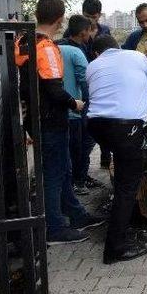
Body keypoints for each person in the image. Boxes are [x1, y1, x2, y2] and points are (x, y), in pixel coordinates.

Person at [16, 0, 104, 245]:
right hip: (51, 120)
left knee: (63, 169)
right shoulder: (46, 48)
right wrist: (74, 103)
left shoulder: (24, 40)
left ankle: (74, 214)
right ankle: (54, 228)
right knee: (54, 174)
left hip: (36, 118)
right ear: (60, 19)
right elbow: (54, 89)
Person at [87, 35, 147, 264]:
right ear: (118, 47)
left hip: (96, 126)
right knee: (128, 187)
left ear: (97, 53)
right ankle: (115, 249)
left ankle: (121, 215)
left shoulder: (93, 66)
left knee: (123, 169)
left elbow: (110, 96)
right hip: (126, 128)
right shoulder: (137, 56)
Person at [63, 0, 113, 169]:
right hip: (83, 85)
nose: (90, 21)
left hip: (101, 82)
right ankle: (81, 174)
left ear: (99, 15)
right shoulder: (72, 34)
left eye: (93, 17)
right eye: (87, 16)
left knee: (106, 124)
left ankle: (106, 160)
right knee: (86, 132)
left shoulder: (104, 31)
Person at [58, 15, 92, 195]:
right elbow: (85, 81)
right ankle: (78, 183)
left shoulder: (54, 47)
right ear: (83, 32)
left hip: (57, 109)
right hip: (75, 110)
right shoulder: (77, 52)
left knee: (64, 153)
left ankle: (67, 184)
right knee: (79, 150)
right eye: (89, 31)